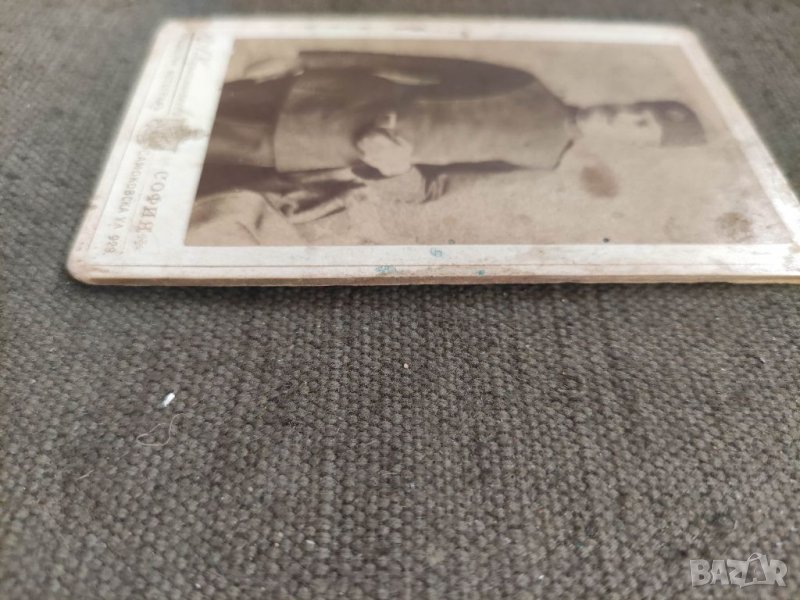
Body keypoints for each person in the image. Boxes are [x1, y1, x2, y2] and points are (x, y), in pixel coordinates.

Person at [187, 50, 706, 245]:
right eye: (637, 106)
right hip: (312, 91)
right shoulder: (524, 80)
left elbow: (427, 191)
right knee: (188, 97)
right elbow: (405, 65)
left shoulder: (539, 160)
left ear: (629, 146)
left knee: (185, 142)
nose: (623, 114)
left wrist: (396, 166)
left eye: (638, 125)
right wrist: (306, 59)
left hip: (304, 145)